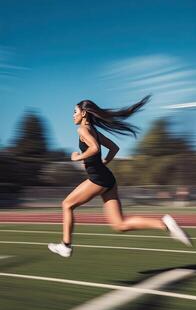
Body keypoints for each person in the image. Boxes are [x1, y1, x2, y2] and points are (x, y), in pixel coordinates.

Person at [48, 97, 192, 257]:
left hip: (98, 180)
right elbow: (114, 148)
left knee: (67, 204)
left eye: (74, 112)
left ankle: (66, 246)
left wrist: (77, 157)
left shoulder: (82, 130)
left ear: (83, 113)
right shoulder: (94, 131)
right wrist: (102, 163)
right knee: (119, 224)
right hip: (108, 180)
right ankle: (164, 223)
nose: (72, 115)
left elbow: (94, 148)